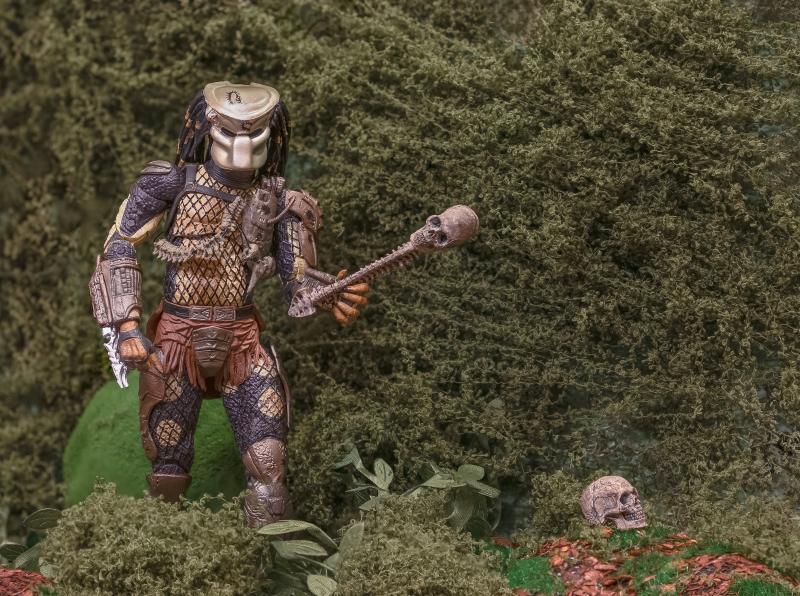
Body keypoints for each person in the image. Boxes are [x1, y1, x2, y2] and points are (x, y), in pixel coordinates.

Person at [89, 81, 368, 527]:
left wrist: (325, 293)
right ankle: (160, 547)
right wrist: (126, 326)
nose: (243, 141)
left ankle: (275, 556)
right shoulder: (170, 183)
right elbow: (119, 244)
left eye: (255, 131)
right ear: (210, 126)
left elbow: (297, 283)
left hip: (243, 344)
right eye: (234, 130)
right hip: (175, 341)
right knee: (168, 466)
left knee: (269, 463)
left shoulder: (282, 203)